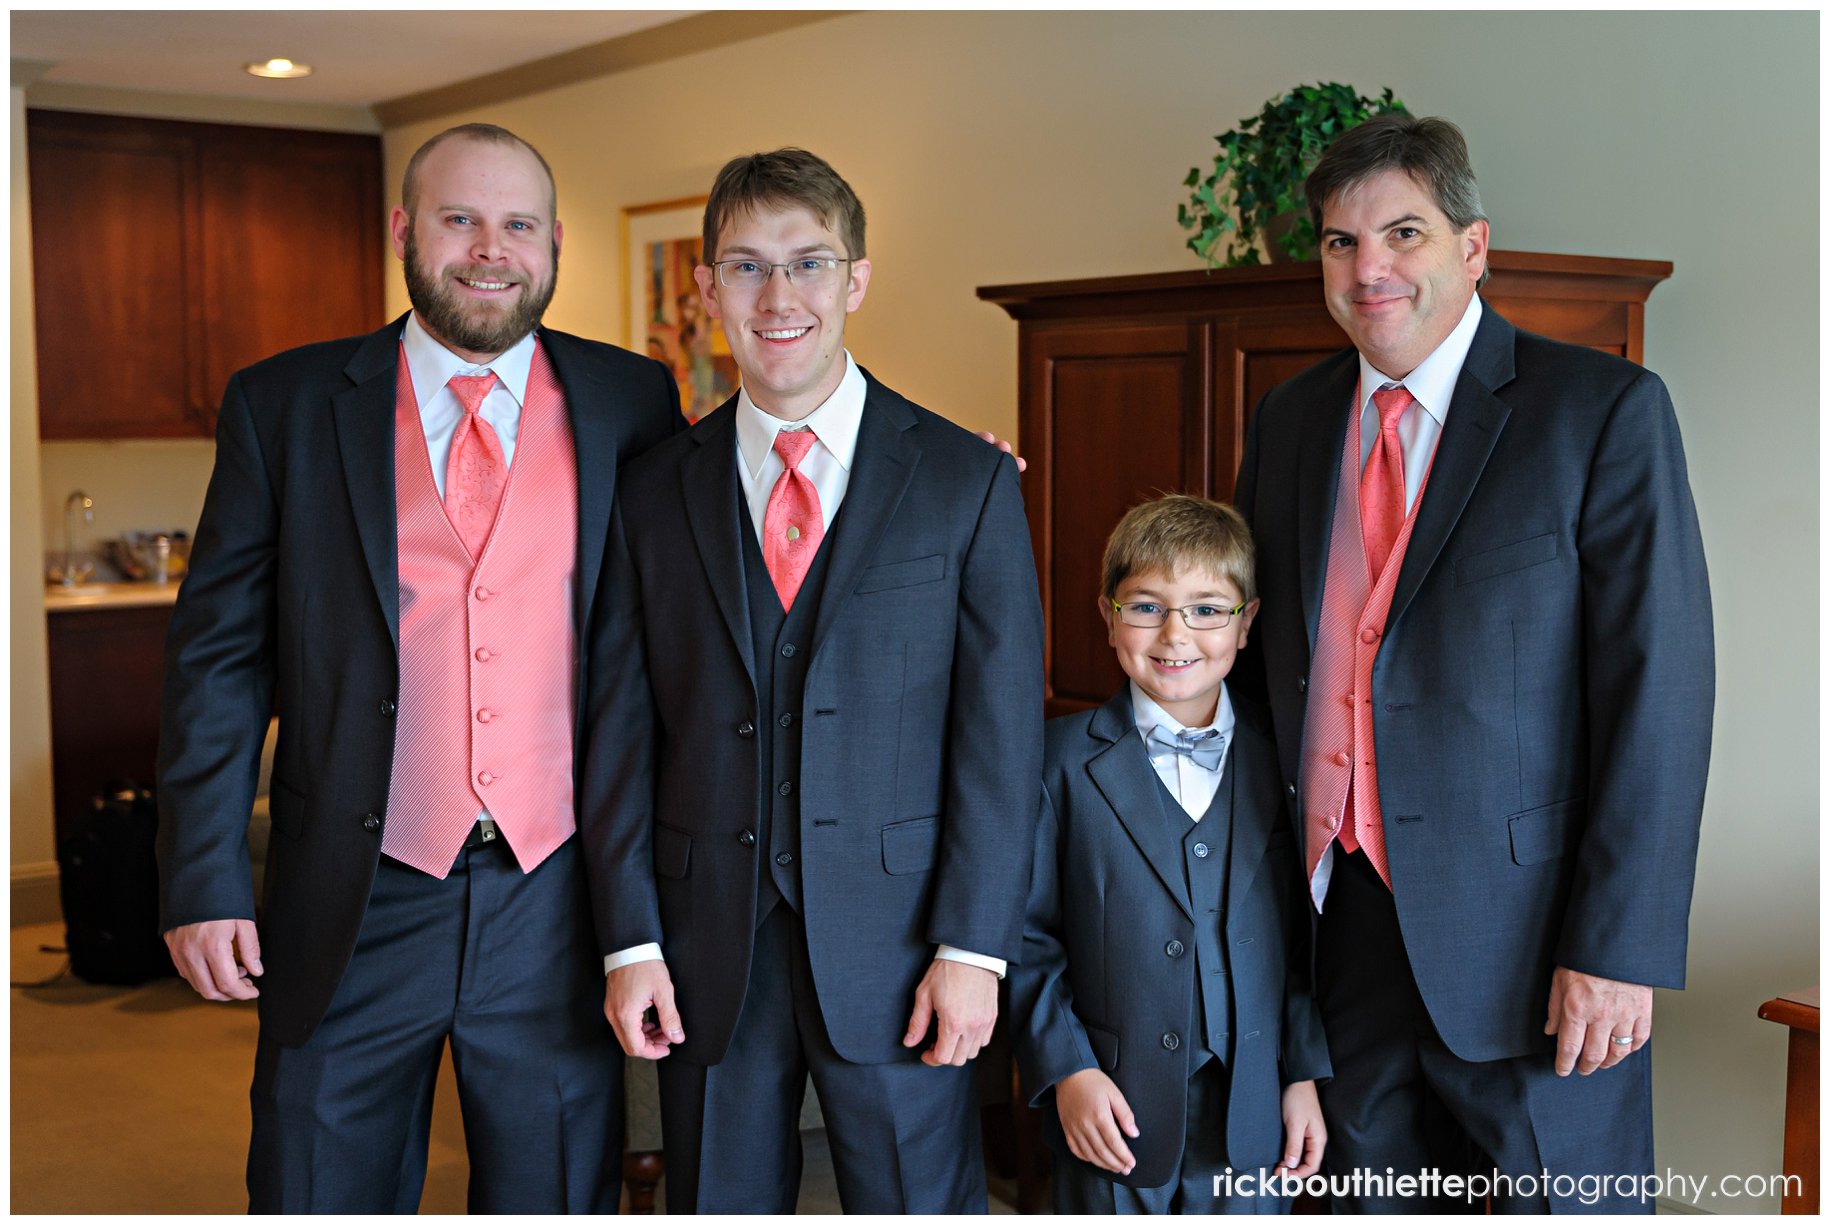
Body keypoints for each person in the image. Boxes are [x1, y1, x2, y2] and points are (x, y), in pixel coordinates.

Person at [155, 123, 684, 1212]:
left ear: (554, 245)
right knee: (316, 1186)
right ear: (404, 231)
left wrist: (935, 481)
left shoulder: (633, 401)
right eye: (460, 219)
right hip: (357, 888)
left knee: (552, 1195)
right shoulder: (286, 404)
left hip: (557, 894)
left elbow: (723, 559)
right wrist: (202, 875)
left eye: (518, 224)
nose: (491, 249)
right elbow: (218, 659)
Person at [1231, 112, 1712, 1213]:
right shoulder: (1292, 419)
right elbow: (1263, 678)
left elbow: (1661, 694)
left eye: (1404, 233)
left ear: (1474, 245)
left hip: (1534, 945)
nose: (1372, 269)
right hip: (1337, 930)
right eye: (1342, 244)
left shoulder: (1600, 413)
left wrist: (1618, 946)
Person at [588, 147, 1044, 1213]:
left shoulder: (965, 480)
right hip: (706, 943)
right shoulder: (651, 493)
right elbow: (620, 730)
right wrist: (631, 936)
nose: (778, 296)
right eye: (745, 267)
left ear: (857, 279)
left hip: (903, 943)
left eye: (808, 263)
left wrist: (974, 946)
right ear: (707, 288)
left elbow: (1000, 739)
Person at [1010, 494, 1329, 1213]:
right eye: (1146, 606)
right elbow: (1025, 937)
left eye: (1207, 609)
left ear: (1246, 624)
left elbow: (1302, 935)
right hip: (1113, 1109)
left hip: (1252, 1109)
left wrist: (1301, 1072)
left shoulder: (1285, 764)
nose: (1176, 632)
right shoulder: (1054, 762)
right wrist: (1067, 1070)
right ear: (1108, 615)